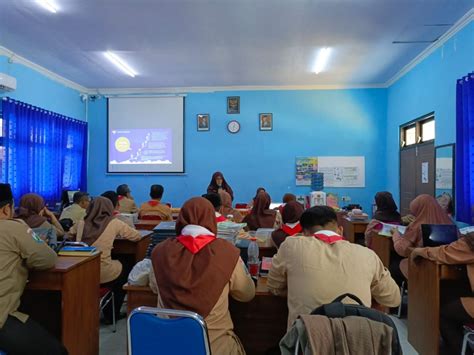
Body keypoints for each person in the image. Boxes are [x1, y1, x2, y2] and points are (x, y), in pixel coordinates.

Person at [149, 197, 255, 354]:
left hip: (169, 345)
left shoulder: (160, 251)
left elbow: (154, 286)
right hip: (214, 346)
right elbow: (246, 293)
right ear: (212, 219)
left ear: (181, 218)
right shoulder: (227, 252)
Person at [267, 206, 400, 328]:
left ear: (304, 233)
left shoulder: (292, 246)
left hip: (307, 339)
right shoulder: (367, 255)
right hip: (356, 340)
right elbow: (393, 299)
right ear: (340, 230)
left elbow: (274, 286)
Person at [0, 184, 67, 355]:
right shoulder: (15, 227)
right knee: (56, 351)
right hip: (2, 318)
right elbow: (48, 259)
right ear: (7, 209)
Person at [69, 196, 141, 322]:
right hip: (104, 273)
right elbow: (137, 236)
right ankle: (111, 312)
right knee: (128, 266)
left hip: (81, 271)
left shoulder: (82, 222)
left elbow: (69, 233)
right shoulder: (114, 222)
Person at [410, 233, 474, 354]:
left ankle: (459, 351)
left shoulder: (470, 244)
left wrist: (419, 251)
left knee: (442, 311)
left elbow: (443, 253)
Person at [392, 194, 455, 280]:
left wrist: (396, 235)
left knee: (393, 265)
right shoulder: (450, 223)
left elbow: (402, 250)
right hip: (447, 270)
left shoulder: (416, 226)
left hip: (421, 267)